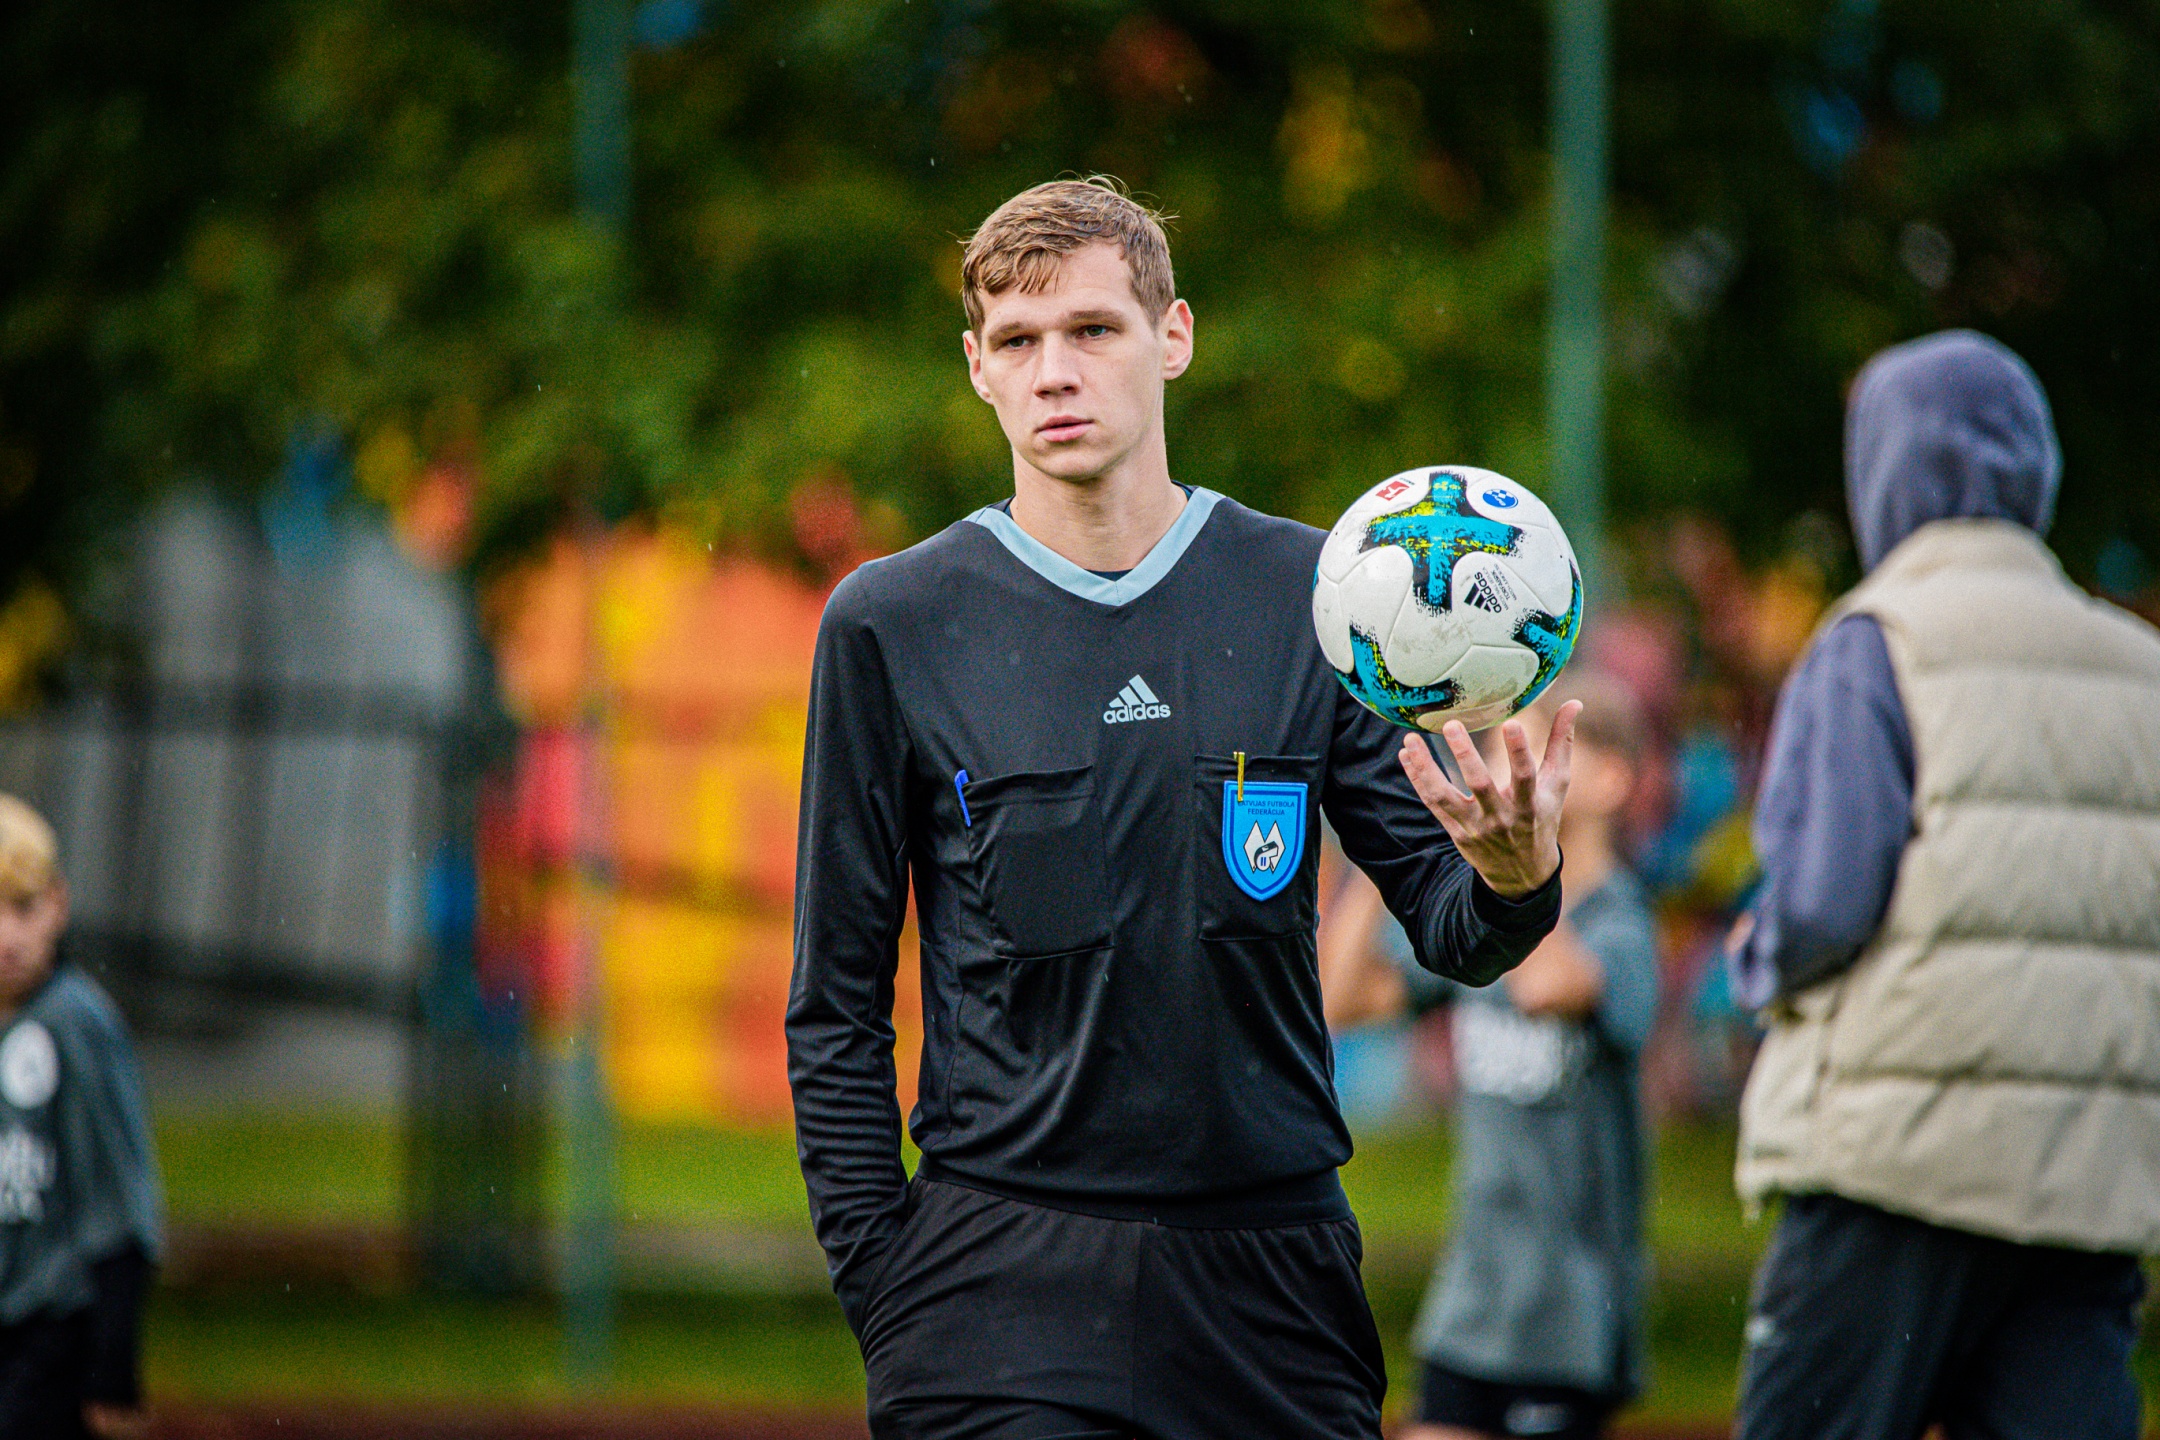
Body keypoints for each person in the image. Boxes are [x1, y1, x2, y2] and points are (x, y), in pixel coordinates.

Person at [786, 177, 1579, 1440]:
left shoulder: (1321, 599)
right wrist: (887, 1285)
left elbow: (1451, 928)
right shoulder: (894, 623)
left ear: (1174, 337)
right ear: (978, 368)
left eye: (1093, 329)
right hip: (996, 1281)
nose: (1055, 371)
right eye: (1017, 340)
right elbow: (834, 1004)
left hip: (1271, 1278)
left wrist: (1513, 878)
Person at [1727, 329, 2160, 1440]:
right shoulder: (2137, 662)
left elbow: (1825, 899)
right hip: (2087, 1171)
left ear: (1884, 468)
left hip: (1896, 1161)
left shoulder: (1878, 642)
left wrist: (1758, 958)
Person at [1321, 674, 1658, 1440]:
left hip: (1568, 1320)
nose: (1505, 772)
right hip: (1472, 1306)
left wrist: (1512, 871)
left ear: (1609, 780)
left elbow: (1543, 984)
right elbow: (1342, 1000)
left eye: (1528, 748)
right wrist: (1386, 855)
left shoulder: (1620, 923)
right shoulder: (1483, 920)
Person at [0, 795, 163, 1440]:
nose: (7, 937)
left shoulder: (76, 1023)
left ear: (58, 905)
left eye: (22, 909)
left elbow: (123, 1204)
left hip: (52, 1333)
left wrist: (113, 1363)